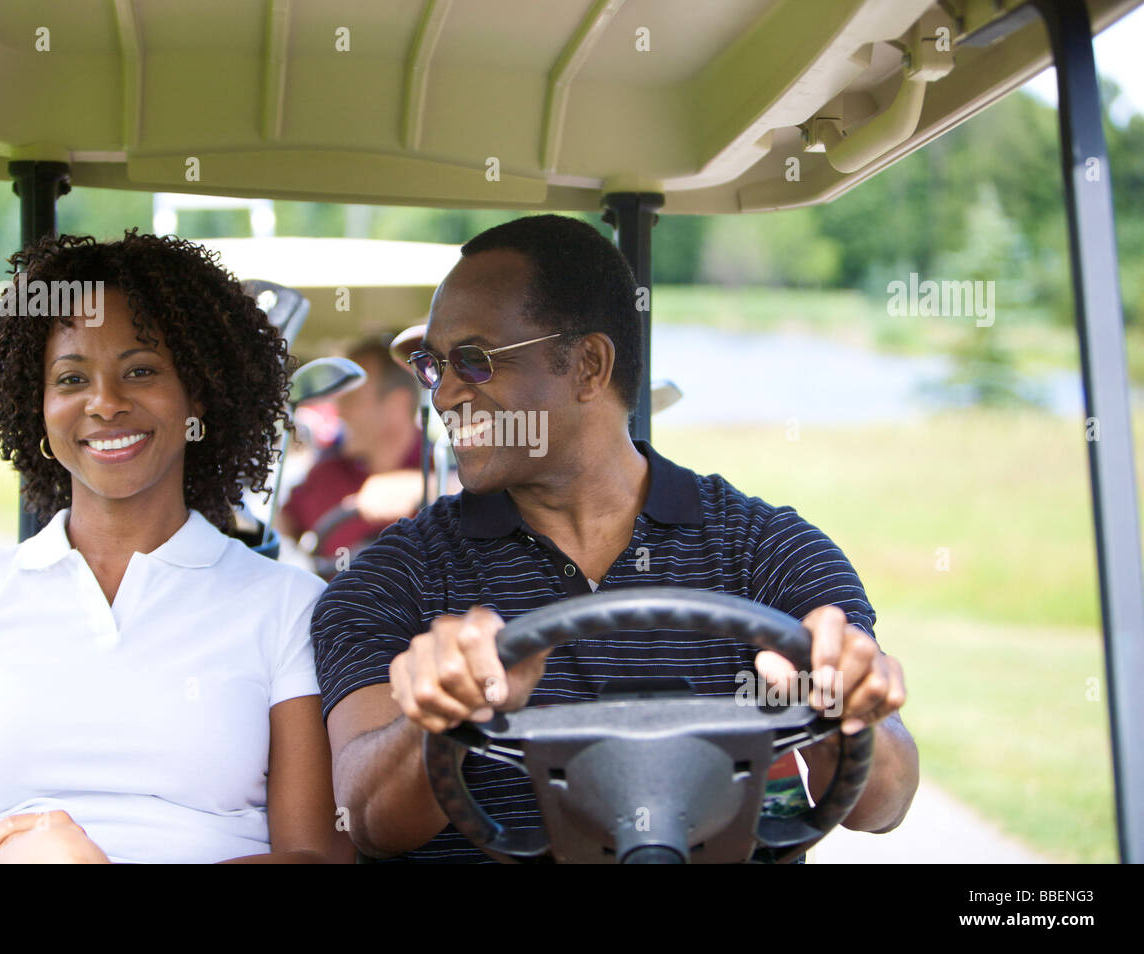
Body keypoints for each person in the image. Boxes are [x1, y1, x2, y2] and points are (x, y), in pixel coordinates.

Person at [311, 214, 919, 863]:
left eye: (475, 361)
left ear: (588, 366)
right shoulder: (392, 579)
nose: (445, 395)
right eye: (433, 366)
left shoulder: (767, 552)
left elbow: (885, 803)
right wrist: (439, 719)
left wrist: (842, 717)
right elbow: (367, 820)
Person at [0, 231, 351, 864]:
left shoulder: (290, 607)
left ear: (197, 394)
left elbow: (319, 859)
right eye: (71, 379)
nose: (105, 403)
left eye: (140, 371)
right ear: (37, 407)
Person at [279, 338, 425, 576]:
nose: (340, 412)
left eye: (352, 399)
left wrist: (422, 488)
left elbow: (483, 496)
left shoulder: (447, 464)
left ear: (397, 406)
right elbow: (281, 527)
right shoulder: (326, 473)